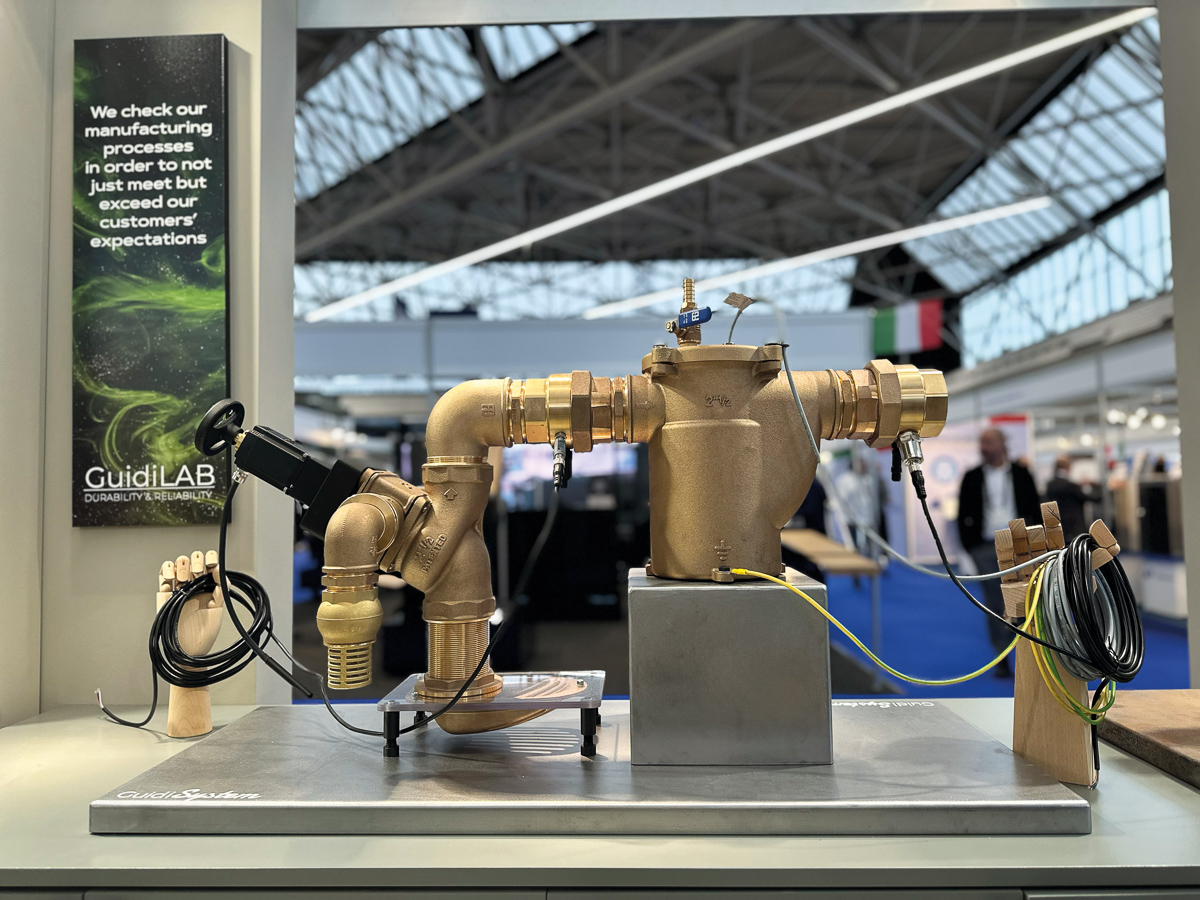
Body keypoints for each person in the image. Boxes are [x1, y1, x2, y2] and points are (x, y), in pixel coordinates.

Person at [956, 428, 1040, 676]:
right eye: (981, 442)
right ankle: (1001, 655)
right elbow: (962, 514)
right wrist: (970, 547)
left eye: (989, 442)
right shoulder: (972, 477)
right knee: (995, 602)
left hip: (1020, 544)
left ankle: (1026, 652)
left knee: (1025, 599)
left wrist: (1035, 543)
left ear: (1003, 444)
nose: (984, 447)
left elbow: (1034, 508)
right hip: (985, 546)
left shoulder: (1022, 474)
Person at [1044, 456, 1095, 540]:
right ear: (1067, 467)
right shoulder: (1070, 485)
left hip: (1057, 524)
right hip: (1074, 526)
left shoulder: (1050, 485)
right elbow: (1090, 498)